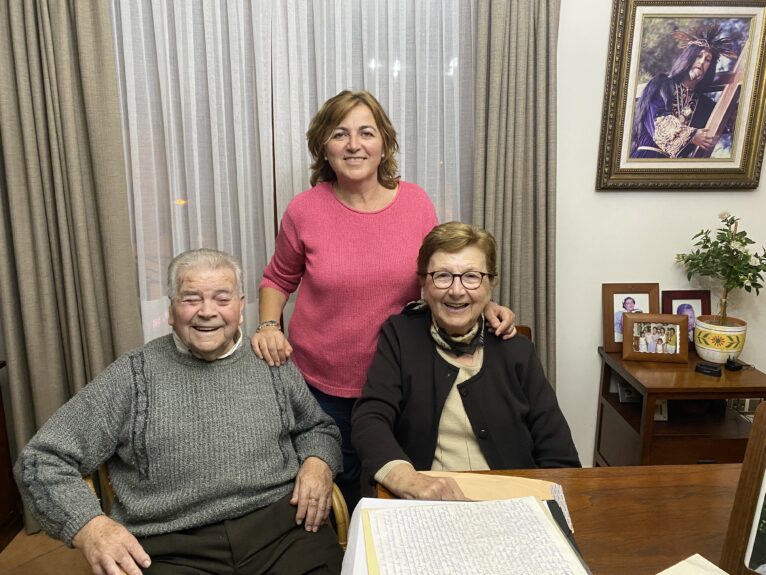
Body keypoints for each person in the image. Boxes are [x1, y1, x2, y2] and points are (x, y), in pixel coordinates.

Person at [251, 90, 516, 510]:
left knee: (397, 494)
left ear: (384, 144)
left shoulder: (415, 203)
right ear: (324, 145)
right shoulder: (304, 210)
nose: (354, 144)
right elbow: (277, 279)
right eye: (340, 134)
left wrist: (484, 307)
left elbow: (439, 278)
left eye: (366, 133)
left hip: (403, 381)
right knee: (333, 502)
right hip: (322, 388)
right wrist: (268, 326)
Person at [14, 249, 343, 575]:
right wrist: (90, 526)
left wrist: (317, 462)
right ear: (171, 310)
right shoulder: (132, 376)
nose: (207, 311)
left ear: (241, 308)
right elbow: (41, 461)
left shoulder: (271, 362)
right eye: (190, 299)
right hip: (170, 547)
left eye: (222, 298)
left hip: (282, 532)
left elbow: (318, 427)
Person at [350, 222, 580, 500]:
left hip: (511, 505)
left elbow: (559, 455)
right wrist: (407, 479)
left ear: (490, 283)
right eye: (442, 276)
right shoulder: (401, 337)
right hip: (426, 505)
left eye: (471, 277)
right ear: (423, 281)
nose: (457, 291)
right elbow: (370, 419)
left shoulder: (517, 350)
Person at [630, 25, 737, 159]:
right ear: (688, 58)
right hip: (647, 158)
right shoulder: (662, 84)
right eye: (699, 56)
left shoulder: (704, 104)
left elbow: (731, 119)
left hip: (677, 171)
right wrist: (692, 135)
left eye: (708, 59)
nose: (702, 61)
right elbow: (658, 123)